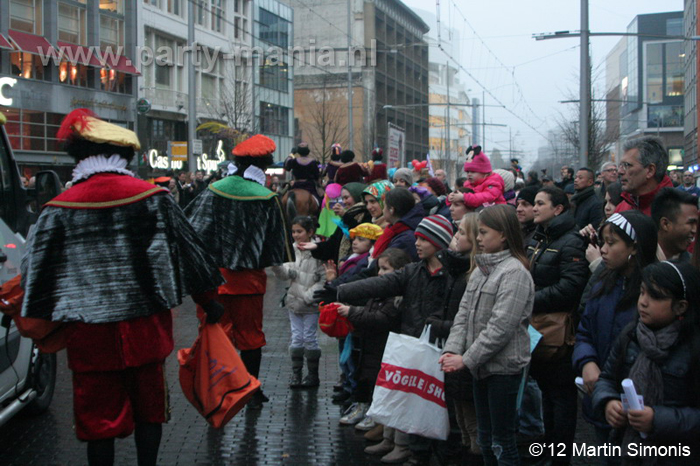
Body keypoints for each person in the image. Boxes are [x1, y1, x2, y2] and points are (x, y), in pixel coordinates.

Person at [20, 109, 225, 466]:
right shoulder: (154, 198)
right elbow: (192, 254)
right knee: (150, 412)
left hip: (89, 337)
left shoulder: (56, 210)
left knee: (98, 421)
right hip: (146, 329)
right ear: (125, 157)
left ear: (79, 157)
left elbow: (35, 274)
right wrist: (209, 301)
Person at [333, 214, 456, 466]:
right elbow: (379, 284)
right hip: (413, 342)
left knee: (431, 402)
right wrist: (338, 291)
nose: (417, 243)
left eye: (423, 239)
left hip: (439, 346)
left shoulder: (450, 275)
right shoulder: (415, 270)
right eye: (418, 238)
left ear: (438, 242)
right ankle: (414, 451)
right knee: (412, 397)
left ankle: (427, 453)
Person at [185, 134, 293, 409]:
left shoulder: (213, 189)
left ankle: (214, 390)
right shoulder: (267, 197)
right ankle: (251, 389)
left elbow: (192, 230)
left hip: (214, 281)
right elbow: (275, 246)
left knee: (213, 336)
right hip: (249, 282)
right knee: (251, 337)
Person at [441, 205, 535, 466]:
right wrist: (453, 349)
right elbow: (463, 315)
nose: (478, 238)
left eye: (483, 232)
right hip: (480, 367)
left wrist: (466, 359)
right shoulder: (481, 269)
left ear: (503, 235)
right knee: (485, 438)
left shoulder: (514, 272)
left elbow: (500, 327)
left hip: (503, 369)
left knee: (501, 440)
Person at [592, 261, 700, 465]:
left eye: (655, 296)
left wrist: (657, 420)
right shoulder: (631, 335)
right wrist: (608, 402)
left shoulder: (692, 349)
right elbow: (606, 378)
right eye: (642, 292)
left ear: (680, 306)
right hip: (625, 450)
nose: (643, 302)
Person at [572, 211, 658, 465]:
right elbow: (585, 330)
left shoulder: (652, 293)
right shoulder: (603, 283)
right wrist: (587, 362)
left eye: (611, 243)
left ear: (634, 246)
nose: (603, 250)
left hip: (637, 408)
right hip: (602, 398)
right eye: (603, 242)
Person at [528, 186, 589, 465]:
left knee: (561, 397)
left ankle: (560, 456)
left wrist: (529, 299)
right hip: (539, 327)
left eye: (541, 203)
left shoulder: (571, 241)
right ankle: (550, 449)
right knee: (547, 394)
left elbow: (571, 287)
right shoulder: (541, 236)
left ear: (558, 209)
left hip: (559, 332)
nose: (534, 207)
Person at [427, 213, 482, 464]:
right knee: (460, 418)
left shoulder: (472, 274)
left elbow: (470, 321)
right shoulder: (457, 268)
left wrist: (439, 325)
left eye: (461, 233)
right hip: (454, 351)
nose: (455, 237)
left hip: (467, 356)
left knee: (472, 425)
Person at [335, 248, 410, 428]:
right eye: (379, 269)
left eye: (385, 269)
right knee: (364, 376)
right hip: (369, 343)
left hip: (384, 345)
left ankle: (376, 416)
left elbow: (381, 318)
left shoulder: (396, 298)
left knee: (378, 380)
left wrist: (352, 312)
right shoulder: (378, 293)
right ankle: (363, 407)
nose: (380, 273)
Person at [272, 216, 326, 389]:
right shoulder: (293, 250)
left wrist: (309, 296)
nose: (295, 235)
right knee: (296, 337)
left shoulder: (318, 251)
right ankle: (296, 373)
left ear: (310, 232)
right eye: (293, 231)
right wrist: (276, 266)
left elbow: (324, 278)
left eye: (299, 231)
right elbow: (286, 274)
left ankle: (312, 375)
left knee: (309, 337)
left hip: (309, 304)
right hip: (294, 303)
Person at [300, 182, 370, 264]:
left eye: (347, 198)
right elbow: (333, 243)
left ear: (356, 196)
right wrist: (315, 246)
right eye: (342, 198)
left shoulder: (367, 214)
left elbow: (361, 234)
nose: (344, 202)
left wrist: (345, 216)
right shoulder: (348, 215)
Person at [616, 136, 673, 215]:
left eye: (627, 165)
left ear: (650, 170)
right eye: (620, 165)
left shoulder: (675, 211)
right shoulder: (621, 208)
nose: (620, 171)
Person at [651, 187, 699, 261]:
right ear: (665, 224)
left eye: (696, 223)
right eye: (690, 223)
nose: (695, 230)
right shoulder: (638, 261)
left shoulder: (694, 265)